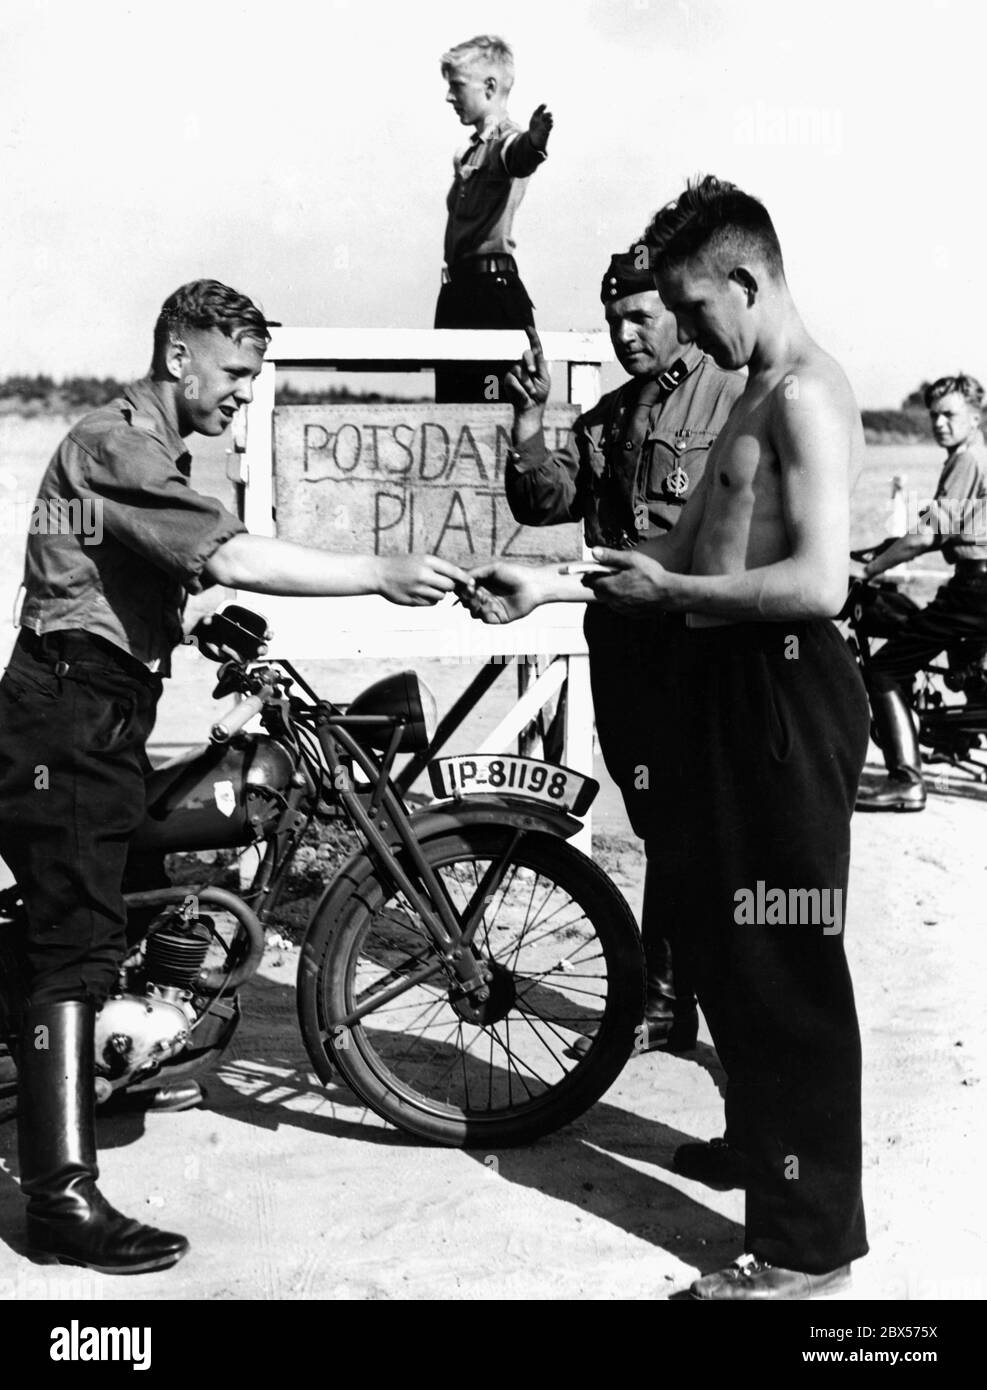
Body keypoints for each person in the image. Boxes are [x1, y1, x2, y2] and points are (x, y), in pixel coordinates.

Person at [0, 279, 468, 1276]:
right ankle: (58, 1198)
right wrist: (379, 571)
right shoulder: (112, 444)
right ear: (180, 356)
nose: (240, 393)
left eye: (254, 377)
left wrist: (191, 616)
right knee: (74, 944)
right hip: (68, 716)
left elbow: (134, 570)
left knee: (112, 902)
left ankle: (108, 1048)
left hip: (99, 710)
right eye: (235, 373)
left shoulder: (148, 451)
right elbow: (237, 552)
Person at [463, 176, 871, 1300]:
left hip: (785, 691)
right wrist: (543, 587)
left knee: (784, 965)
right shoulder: (748, 390)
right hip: (728, 686)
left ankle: (804, 1250)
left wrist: (683, 592)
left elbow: (819, 583)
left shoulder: (803, 397)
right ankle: (762, 1148)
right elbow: (658, 568)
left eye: (694, 310)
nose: (685, 333)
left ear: (748, 280)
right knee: (721, 941)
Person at [502, 248, 743, 1053]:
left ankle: (673, 1001)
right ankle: (672, 1002)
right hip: (626, 650)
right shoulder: (608, 416)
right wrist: (530, 422)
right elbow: (544, 502)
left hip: (701, 645)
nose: (624, 333)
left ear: (679, 311)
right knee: (659, 823)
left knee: (702, 827)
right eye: (613, 319)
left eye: (640, 316)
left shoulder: (735, 398)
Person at [854, 373, 987, 811]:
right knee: (964, 662)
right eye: (934, 416)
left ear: (975, 416)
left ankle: (906, 781)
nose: (940, 424)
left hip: (975, 588)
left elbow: (928, 536)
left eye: (950, 415)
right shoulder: (972, 457)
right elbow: (936, 529)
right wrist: (877, 549)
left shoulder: (968, 460)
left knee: (885, 670)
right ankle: (953, 739)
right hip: (975, 584)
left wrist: (870, 571)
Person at [434, 34, 553, 403]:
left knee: (494, 413)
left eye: (456, 86)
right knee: (455, 414)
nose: (449, 97)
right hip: (458, 296)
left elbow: (516, 156)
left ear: (489, 87)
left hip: (489, 298)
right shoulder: (470, 150)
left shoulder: (506, 140)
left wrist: (534, 142)